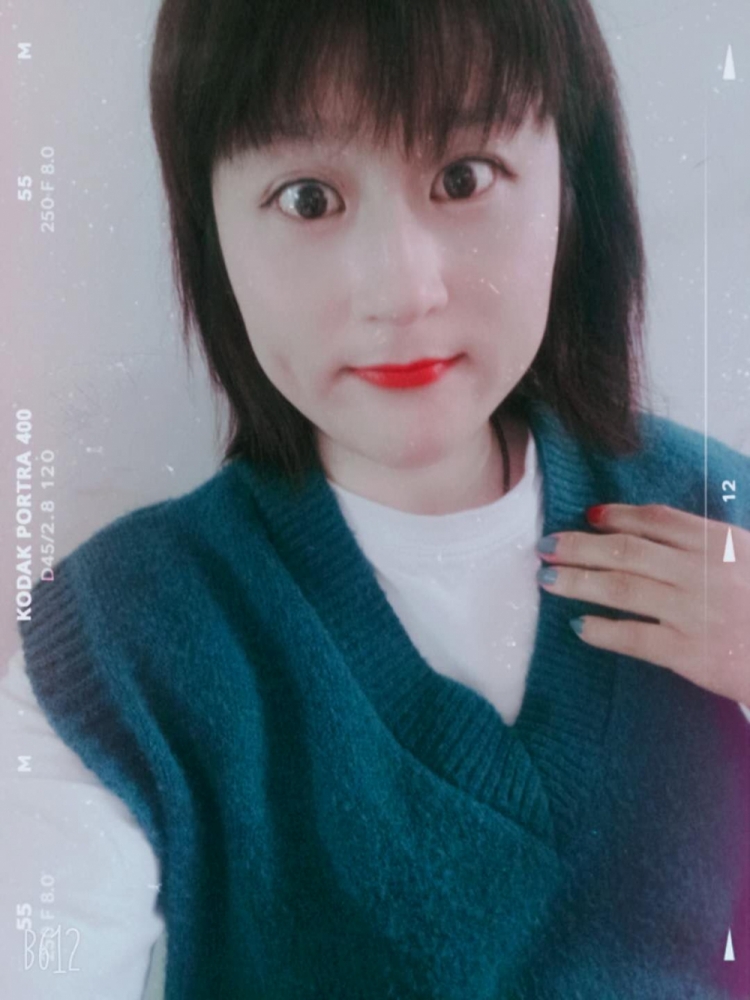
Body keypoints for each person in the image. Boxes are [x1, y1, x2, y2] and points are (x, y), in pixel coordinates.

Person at [2, 0, 750, 997]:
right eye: (309, 199)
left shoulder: (720, 517)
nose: (400, 289)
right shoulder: (121, 643)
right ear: (211, 229)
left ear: (572, 183)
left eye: (463, 177)